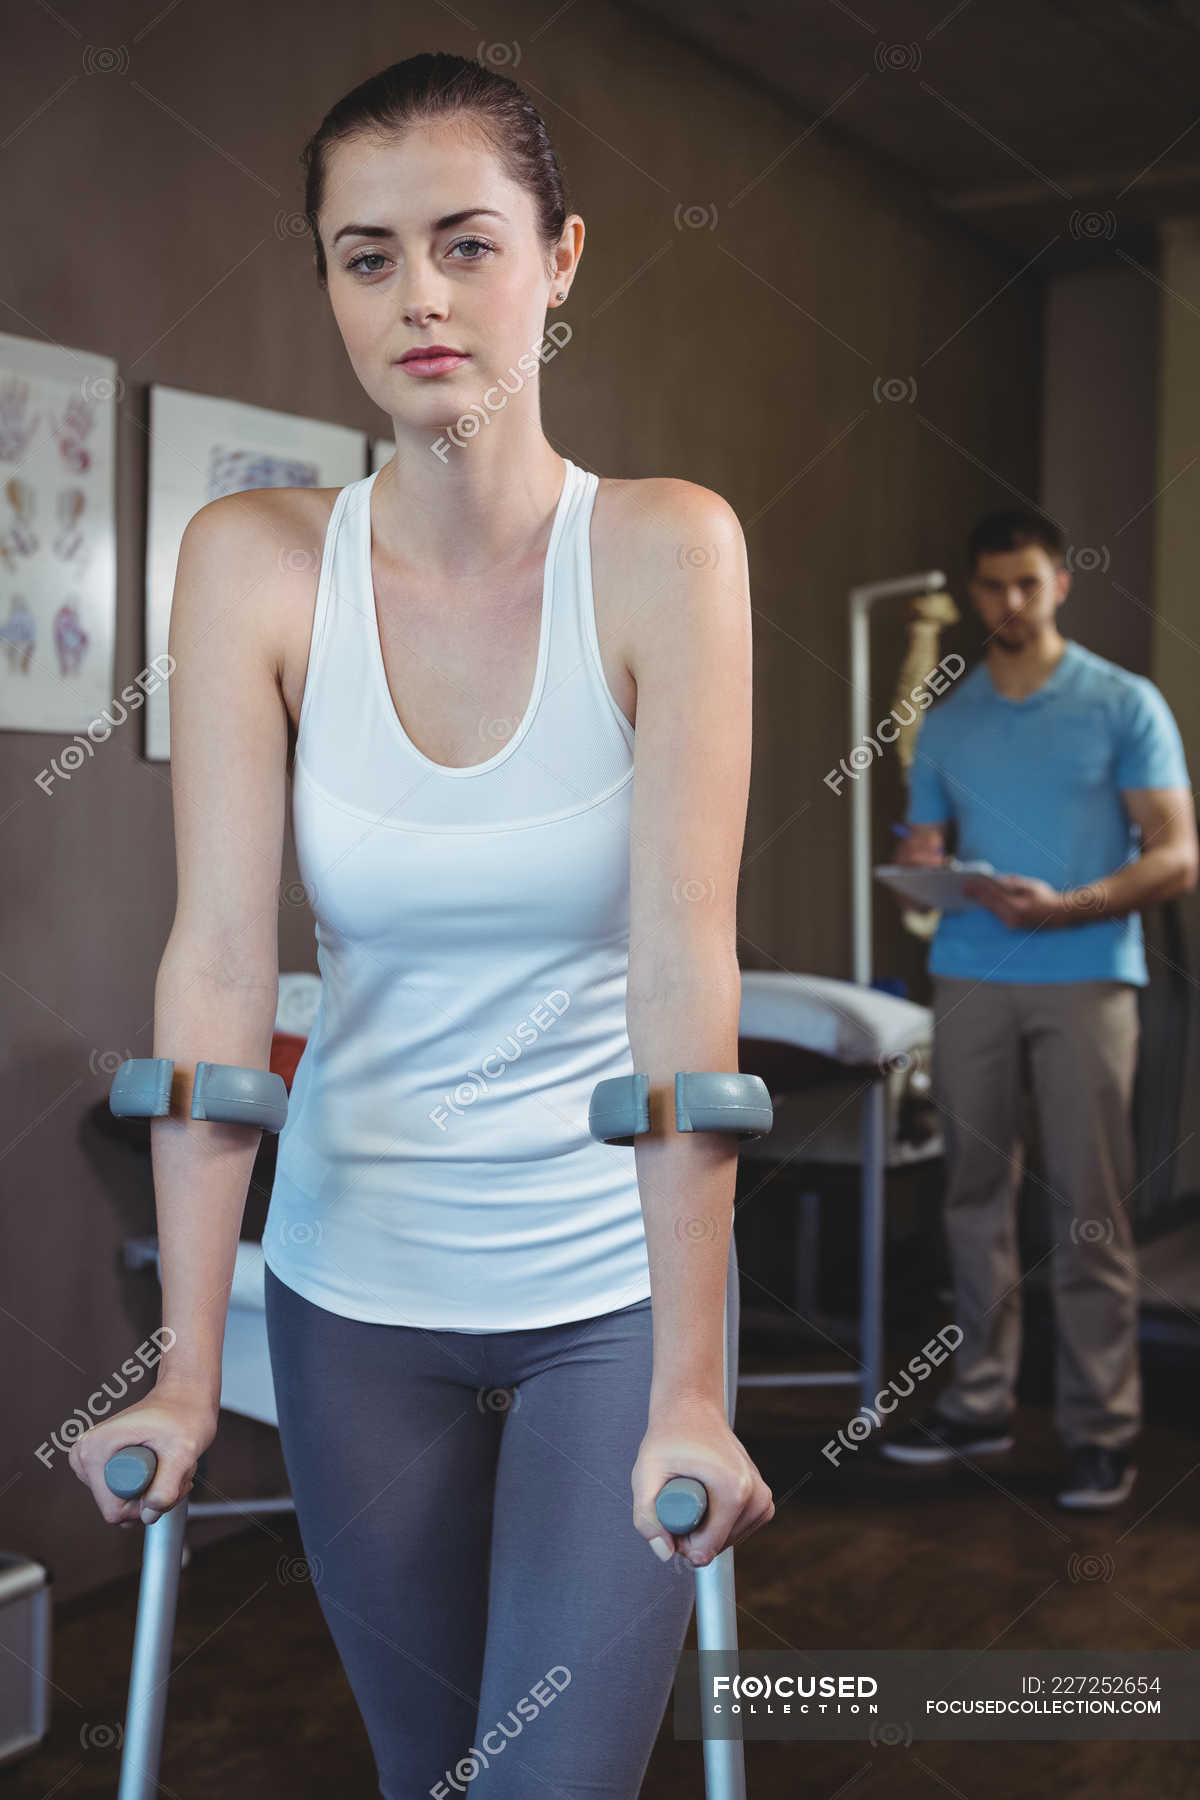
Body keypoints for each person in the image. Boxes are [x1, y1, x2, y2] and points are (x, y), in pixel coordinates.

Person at [68, 51, 773, 1799]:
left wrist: (693, 1378)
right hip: (351, 1285)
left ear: (565, 259)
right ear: (326, 281)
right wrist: (179, 1368)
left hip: (607, 1286)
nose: (421, 297)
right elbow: (223, 960)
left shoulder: (668, 551)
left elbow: (686, 958)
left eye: (467, 242)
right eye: (365, 256)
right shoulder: (254, 562)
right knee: (430, 1776)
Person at [880, 509, 1196, 1510]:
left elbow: (1176, 855)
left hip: (1089, 976)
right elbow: (923, 851)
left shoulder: (1123, 703)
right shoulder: (954, 718)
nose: (1008, 604)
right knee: (972, 1197)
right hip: (971, 976)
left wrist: (1072, 906)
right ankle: (978, 1400)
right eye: (992, 588)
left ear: (1061, 583)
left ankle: (1100, 1428)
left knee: (1086, 1209)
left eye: (1027, 584)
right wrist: (919, 869)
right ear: (974, 593)